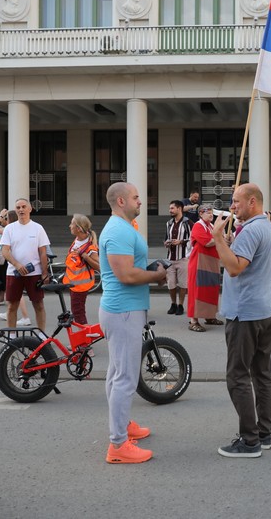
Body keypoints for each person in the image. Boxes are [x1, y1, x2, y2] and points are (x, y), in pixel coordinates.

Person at [98, 182, 166, 464]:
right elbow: (126, 275)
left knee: (118, 373)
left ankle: (122, 426)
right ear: (122, 201)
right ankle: (118, 445)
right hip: (123, 310)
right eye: (137, 197)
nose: (142, 201)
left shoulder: (124, 228)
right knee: (125, 377)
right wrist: (157, 275)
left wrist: (151, 268)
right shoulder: (117, 230)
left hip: (126, 309)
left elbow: (129, 267)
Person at [211, 183, 271, 458]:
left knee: (237, 376)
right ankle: (264, 434)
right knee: (262, 374)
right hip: (265, 310)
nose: (232, 206)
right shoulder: (267, 227)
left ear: (253, 202)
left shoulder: (250, 230)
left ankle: (249, 440)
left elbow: (235, 268)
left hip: (246, 314)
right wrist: (230, 245)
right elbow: (242, 261)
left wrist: (217, 238)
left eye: (237, 201)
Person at [0, 198, 50, 329]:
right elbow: (5, 251)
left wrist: (45, 272)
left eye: (23, 207)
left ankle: (42, 334)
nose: (21, 210)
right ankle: (11, 336)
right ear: (15, 210)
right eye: (18, 207)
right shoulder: (9, 228)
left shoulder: (38, 228)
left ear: (30, 209)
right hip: (14, 272)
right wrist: (17, 264)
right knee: (12, 306)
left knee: (39, 304)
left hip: (35, 272)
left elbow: (43, 252)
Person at [187, 204, 223, 332]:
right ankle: (193, 320)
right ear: (200, 213)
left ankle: (209, 316)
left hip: (211, 261)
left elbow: (218, 239)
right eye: (208, 212)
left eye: (211, 213)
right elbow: (207, 242)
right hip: (199, 262)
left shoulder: (211, 226)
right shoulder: (198, 225)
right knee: (197, 290)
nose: (210, 215)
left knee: (211, 289)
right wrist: (220, 237)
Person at [0, 210, 31, 325]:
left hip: (13, 263)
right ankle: (10, 311)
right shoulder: (20, 229)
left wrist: (0, 216)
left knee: (16, 291)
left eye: (6, 218)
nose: (4, 220)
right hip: (17, 261)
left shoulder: (9, 229)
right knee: (12, 290)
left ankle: (25, 317)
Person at [62, 214, 99, 325]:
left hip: (81, 285)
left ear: (78, 228)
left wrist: (86, 257)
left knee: (78, 313)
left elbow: (99, 266)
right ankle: (83, 339)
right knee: (78, 312)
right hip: (74, 283)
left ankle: (84, 340)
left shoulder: (90, 248)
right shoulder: (78, 239)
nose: (69, 226)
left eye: (72, 223)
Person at [164, 200, 191, 317]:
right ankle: (173, 303)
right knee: (171, 283)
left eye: (172, 208)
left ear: (179, 209)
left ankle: (180, 305)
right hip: (170, 258)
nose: (170, 210)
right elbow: (166, 237)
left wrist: (181, 241)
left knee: (183, 284)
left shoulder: (188, 222)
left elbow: (193, 239)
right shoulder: (169, 223)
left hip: (183, 258)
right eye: (170, 208)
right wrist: (166, 243)